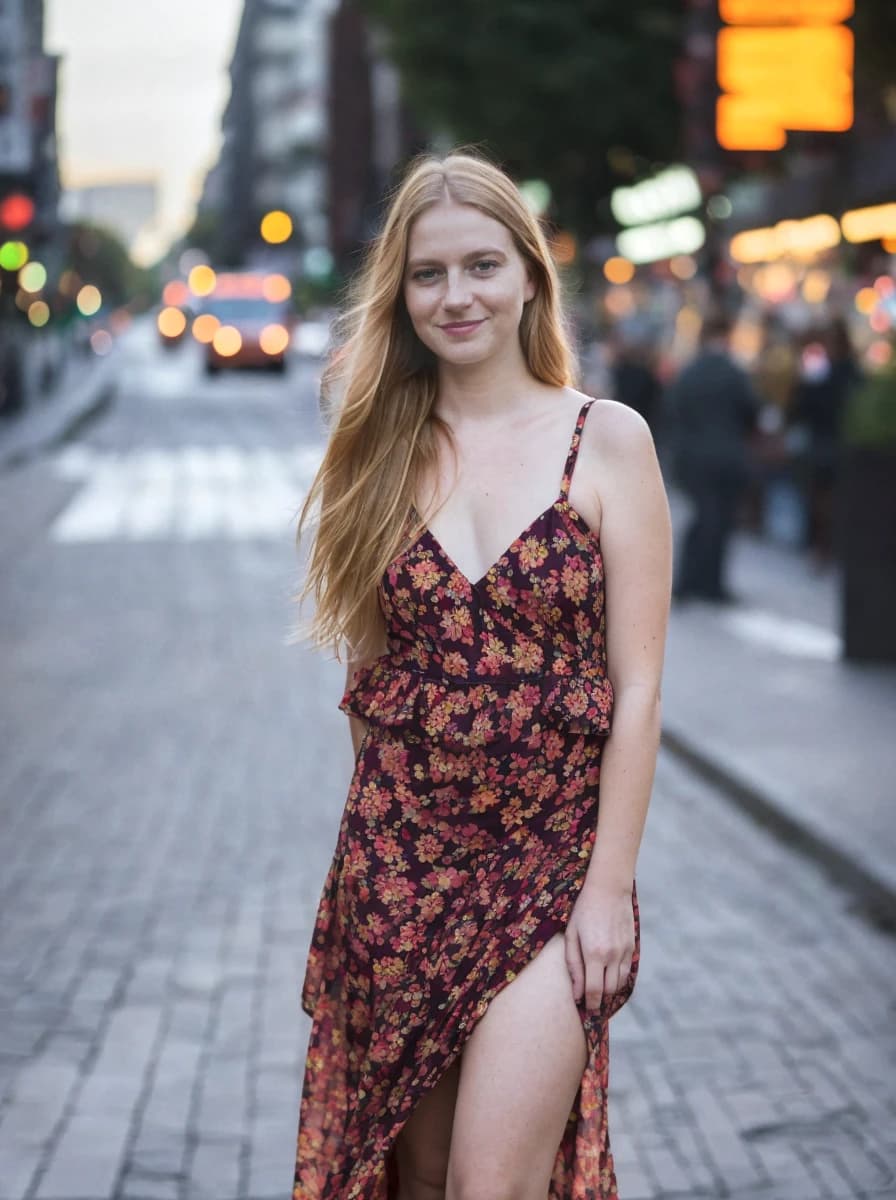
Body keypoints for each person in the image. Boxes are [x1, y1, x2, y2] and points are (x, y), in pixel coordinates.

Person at [294, 151, 672, 1200]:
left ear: (527, 277)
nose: (454, 295)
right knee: (411, 1183)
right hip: (399, 875)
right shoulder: (372, 451)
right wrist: (367, 886)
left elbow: (636, 692)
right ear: (399, 292)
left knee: (487, 1186)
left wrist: (607, 893)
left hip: (550, 874)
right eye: (426, 274)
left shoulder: (605, 442)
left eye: (479, 265)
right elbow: (368, 688)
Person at [666, 312, 759, 602]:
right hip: (727, 455)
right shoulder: (734, 372)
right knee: (721, 521)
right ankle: (710, 584)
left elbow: (673, 411)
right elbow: (751, 411)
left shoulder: (689, 372)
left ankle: (688, 581)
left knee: (702, 517)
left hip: (693, 457)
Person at [791, 316, 861, 566]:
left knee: (823, 498)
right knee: (828, 498)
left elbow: (804, 405)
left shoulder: (826, 371)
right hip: (837, 443)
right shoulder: (850, 371)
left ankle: (822, 547)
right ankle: (824, 547)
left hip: (827, 443)